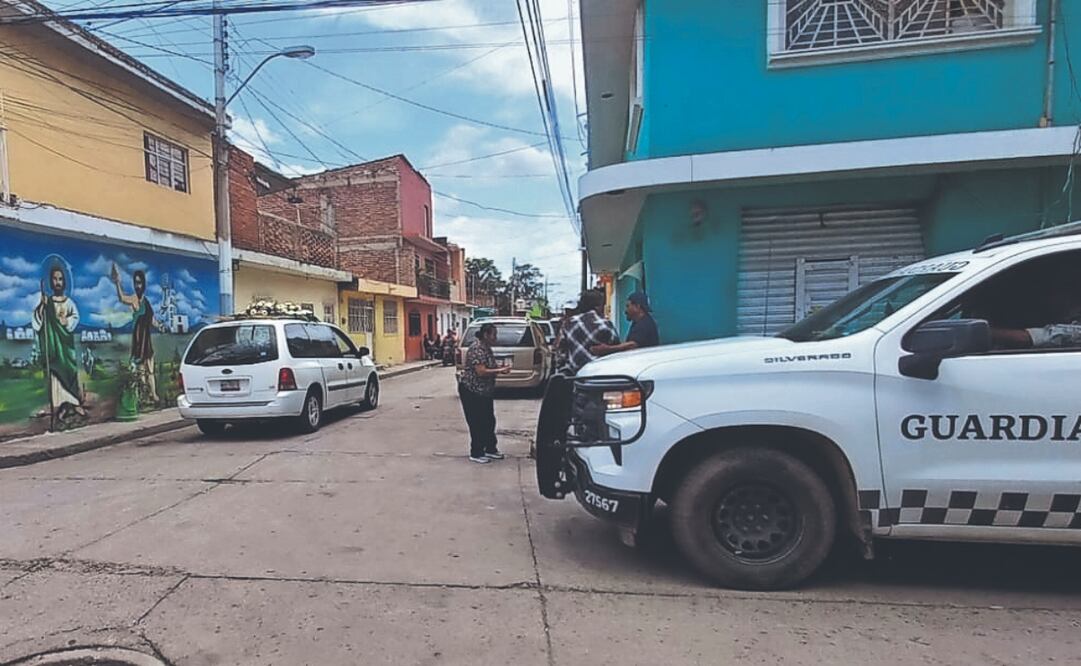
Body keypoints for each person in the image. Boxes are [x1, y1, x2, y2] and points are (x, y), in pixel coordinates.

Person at [31, 258, 85, 423]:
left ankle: (73, 403)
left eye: (60, 279)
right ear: (50, 281)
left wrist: (65, 322)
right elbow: (38, 321)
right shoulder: (48, 302)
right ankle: (61, 406)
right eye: (55, 279)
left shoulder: (69, 303)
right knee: (56, 377)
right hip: (54, 347)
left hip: (66, 346)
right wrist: (42, 307)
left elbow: (75, 318)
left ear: (65, 281)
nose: (58, 282)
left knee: (70, 372)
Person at [458, 323, 511, 464]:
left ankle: (490, 449)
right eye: (493, 334)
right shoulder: (477, 349)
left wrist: (499, 368)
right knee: (477, 422)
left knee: (488, 421)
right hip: (472, 390)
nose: (496, 337)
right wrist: (499, 371)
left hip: (484, 392)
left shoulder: (486, 348)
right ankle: (476, 452)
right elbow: (480, 371)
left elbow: (488, 367)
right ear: (486, 335)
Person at [111, 263, 160, 403]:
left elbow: (152, 320)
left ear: (143, 284)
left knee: (149, 369)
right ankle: (141, 397)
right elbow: (122, 298)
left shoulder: (147, 302)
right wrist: (117, 283)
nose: (138, 286)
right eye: (136, 283)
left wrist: (161, 326)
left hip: (147, 339)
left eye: (140, 283)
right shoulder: (133, 299)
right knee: (139, 370)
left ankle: (153, 395)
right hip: (138, 339)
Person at [557, 289, 619, 376]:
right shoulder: (605, 324)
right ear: (598, 306)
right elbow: (616, 352)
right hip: (600, 375)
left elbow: (561, 350)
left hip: (575, 376)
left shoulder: (568, 324)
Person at [592, 291, 660, 357]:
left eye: (628, 306)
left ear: (637, 306)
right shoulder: (638, 322)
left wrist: (608, 349)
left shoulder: (645, 324)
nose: (625, 311)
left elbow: (632, 345)